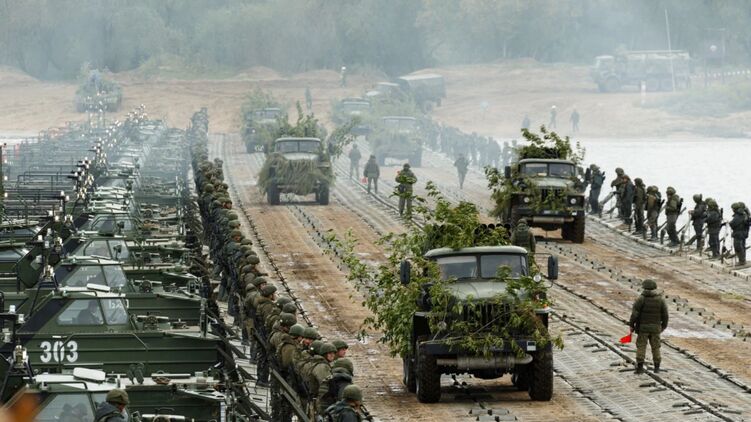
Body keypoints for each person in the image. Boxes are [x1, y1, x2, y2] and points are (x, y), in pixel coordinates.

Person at [628, 279, 668, 374]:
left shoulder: (641, 299)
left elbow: (634, 314)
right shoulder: (661, 300)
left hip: (643, 327)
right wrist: (663, 326)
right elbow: (665, 315)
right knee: (656, 347)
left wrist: (631, 325)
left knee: (641, 346)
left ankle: (640, 368)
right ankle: (657, 368)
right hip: (656, 328)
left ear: (644, 287)